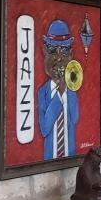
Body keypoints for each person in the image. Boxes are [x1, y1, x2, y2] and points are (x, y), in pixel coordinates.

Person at [37, 18, 79, 159]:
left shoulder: (72, 89)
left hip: (70, 156)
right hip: (50, 158)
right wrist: (60, 93)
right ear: (44, 51)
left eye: (64, 52)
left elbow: (75, 118)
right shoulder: (42, 92)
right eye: (53, 50)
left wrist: (67, 88)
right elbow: (44, 128)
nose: (59, 58)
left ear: (71, 54)